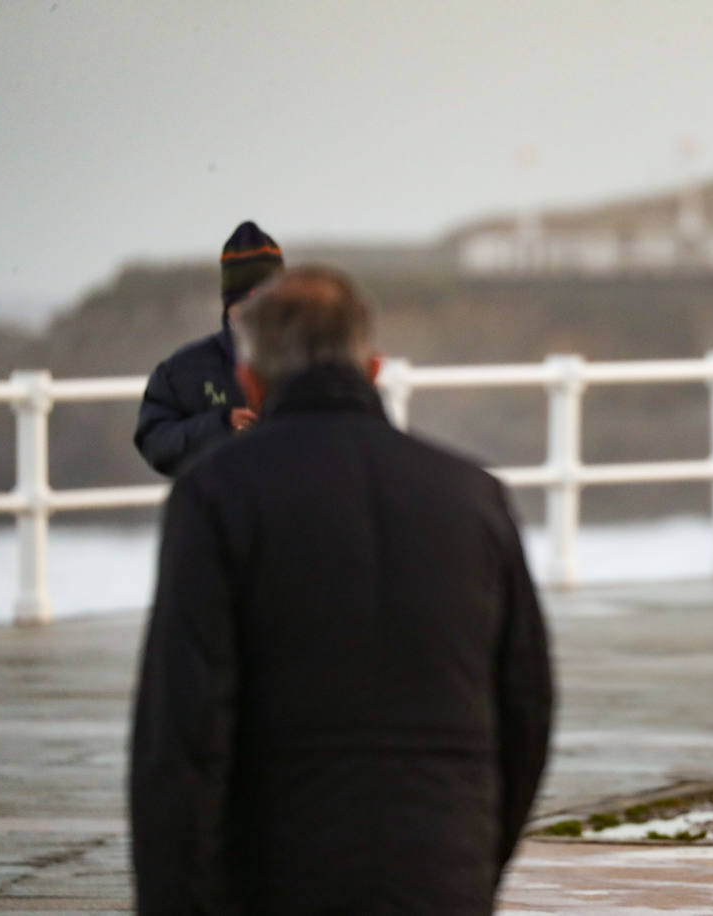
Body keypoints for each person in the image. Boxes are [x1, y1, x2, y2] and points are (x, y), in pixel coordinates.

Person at [129, 266, 553, 913]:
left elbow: (181, 730)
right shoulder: (472, 496)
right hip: (442, 870)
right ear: (374, 367)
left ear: (250, 379)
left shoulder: (217, 494)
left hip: (278, 877)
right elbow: (527, 704)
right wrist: (474, 860)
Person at [133, 221, 282, 476]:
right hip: (219, 507)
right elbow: (155, 441)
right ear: (229, 304)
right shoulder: (183, 370)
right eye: (248, 301)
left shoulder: (315, 361)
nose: (259, 312)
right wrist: (221, 426)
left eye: (268, 300)